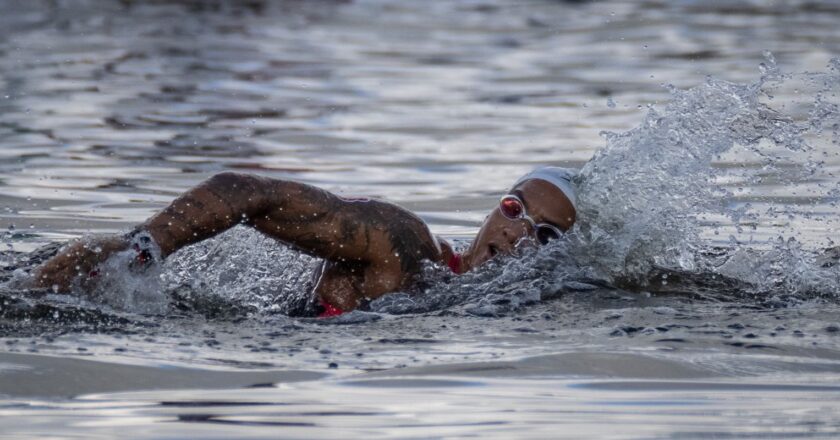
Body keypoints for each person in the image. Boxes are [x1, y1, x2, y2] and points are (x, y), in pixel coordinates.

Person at [32, 167, 578, 317]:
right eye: (514, 209)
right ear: (494, 207)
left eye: (546, 235)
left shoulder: (502, 310)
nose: (518, 235)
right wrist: (139, 252)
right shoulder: (405, 244)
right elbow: (244, 189)